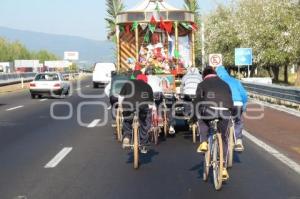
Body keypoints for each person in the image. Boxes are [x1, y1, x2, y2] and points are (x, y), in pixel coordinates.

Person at [193, 67, 233, 180]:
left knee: (202, 118)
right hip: (225, 111)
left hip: (209, 110)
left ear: (204, 75)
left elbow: (197, 101)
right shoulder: (225, 84)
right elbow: (231, 100)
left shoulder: (202, 84)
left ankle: (204, 142)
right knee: (224, 138)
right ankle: (223, 168)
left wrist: (194, 117)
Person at [216, 66, 248, 152]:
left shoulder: (217, 82)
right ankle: (238, 141)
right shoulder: (235, 81)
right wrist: (243, 108)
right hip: (237, 103)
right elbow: (244, 95)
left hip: (223, 105)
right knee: (238, 121)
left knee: (219, 120)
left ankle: (220, 138)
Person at [119, 75, 154, 154]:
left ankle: (127, 137)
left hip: (128, 106)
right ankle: (143, 144)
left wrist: (121, 106)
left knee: (127, 121)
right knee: (144, 122)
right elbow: (151, 104)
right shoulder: (148, 86)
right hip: (142, 107)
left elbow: (120, 97)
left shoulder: (128, 83)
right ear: (145, 81)